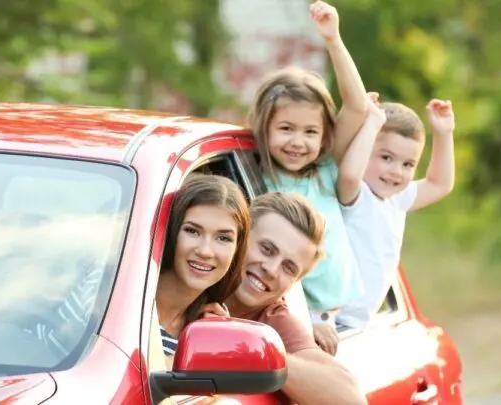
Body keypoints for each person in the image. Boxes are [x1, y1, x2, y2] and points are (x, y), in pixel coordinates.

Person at [246, 0, 368, 353]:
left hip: (344, 315)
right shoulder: (260, 180)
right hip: (303, 315)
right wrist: (307, 321)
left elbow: (357, 105)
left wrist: (333, 39)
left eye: (310, 132)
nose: (298, 142)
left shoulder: (326, 169)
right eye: (286, 128)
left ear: (324, 136)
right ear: (264, 127)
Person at [224, 191, 367, 405]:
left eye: (288, 268)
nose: (271, 270)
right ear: (240, 234)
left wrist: (256, 349)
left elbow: (352, 401)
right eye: (267, 249)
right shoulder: (191, 275)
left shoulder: (273, 319)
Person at [336, 98, 456, 329]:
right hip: (333, 320)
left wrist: (444, 133)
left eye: (408, 164)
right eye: (386, 158)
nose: (396, 172)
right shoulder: (356, 194)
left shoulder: (396, 199)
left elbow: (440, 184)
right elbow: (350, 174)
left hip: (358, 323)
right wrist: (370, 122)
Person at [156, 174, 251, 368]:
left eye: (223, 238)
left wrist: (213, 346)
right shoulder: (112, 293)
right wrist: (190, 360)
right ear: (172, 231)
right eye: (192, 231)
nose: (205, 251)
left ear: (237, 248)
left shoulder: (207, 327)